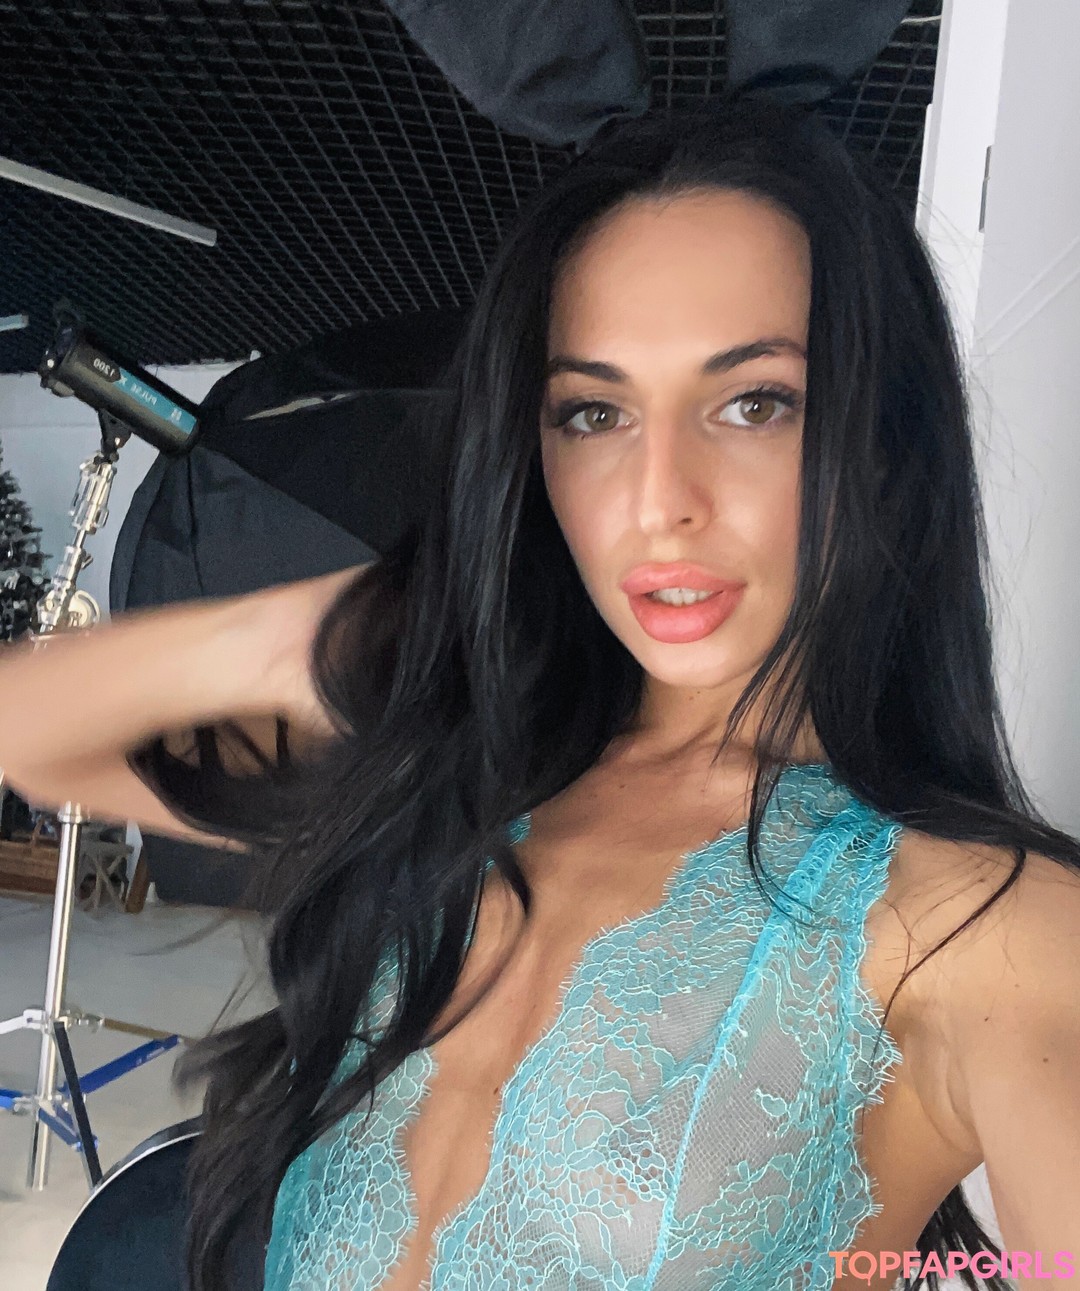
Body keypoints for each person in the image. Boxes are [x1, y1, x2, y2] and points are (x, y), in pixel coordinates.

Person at [3, 95, 1079, 1291]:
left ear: (882, 440)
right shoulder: (465, 770)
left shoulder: (988, 930)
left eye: (754, 402)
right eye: (594, 413)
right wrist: (337, 626)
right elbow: (30, 727)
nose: (658, 501)